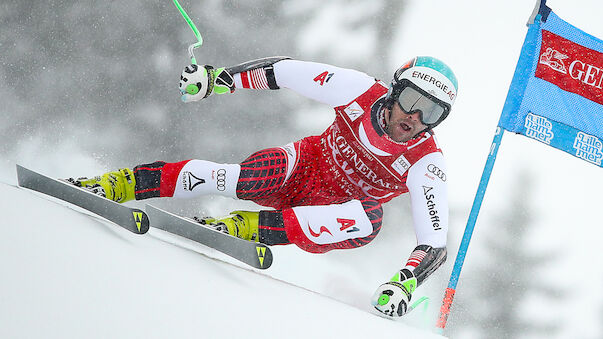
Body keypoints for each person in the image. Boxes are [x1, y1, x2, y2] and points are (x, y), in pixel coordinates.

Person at [69, 56, 457, 318]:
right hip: (302, 167)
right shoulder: (359, 90)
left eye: (432, 112)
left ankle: (243, 228)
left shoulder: (427, 162)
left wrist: (404, 284)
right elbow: (285, 71)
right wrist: (219, 81)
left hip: (325, 216)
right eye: (410, 100)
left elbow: (434, 242)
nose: (415, 116)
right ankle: (117, 184)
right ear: (393, 91)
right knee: (239, 177)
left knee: (370, 219)